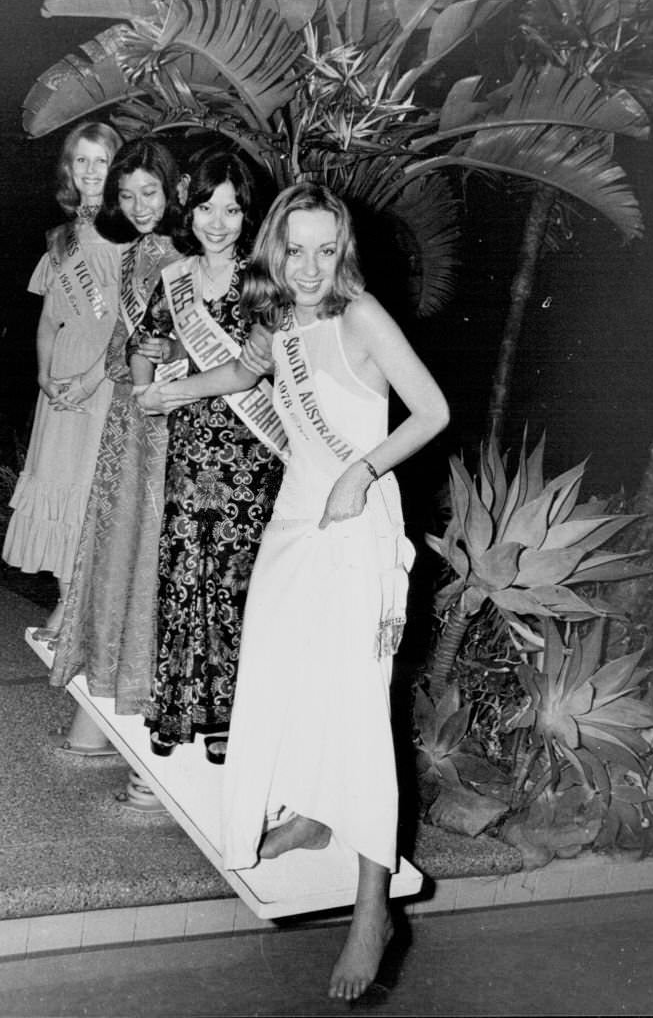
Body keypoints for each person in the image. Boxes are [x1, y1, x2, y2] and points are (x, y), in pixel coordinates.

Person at [143, 182, 450, 1001]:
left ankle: (371, 914)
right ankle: (313, 812)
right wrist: (179, 387)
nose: (310, 267)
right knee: (285, 674)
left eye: (325, 249)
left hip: (357, 525)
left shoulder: (362, 317)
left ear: (342, 250)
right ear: (274, 249)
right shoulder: (279, 316)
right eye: (296, 249)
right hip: (293, 523)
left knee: (357, 709)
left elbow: (432, 411)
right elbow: (245, 369)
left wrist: (361, 470)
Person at [129, 152, 285, 753]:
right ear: (188, 208)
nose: (216, 222)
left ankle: (228, 718)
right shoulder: (176, 275)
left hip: (250, 450)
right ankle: (176, 709)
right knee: (184, 569)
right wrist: (146, 377)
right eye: (206, 207)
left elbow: (250, 370)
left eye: (232, 208)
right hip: (192, 447)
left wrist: (169, 390)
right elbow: (145, 341)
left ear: (247, 215)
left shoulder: (262, 277)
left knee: (233, 579)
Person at [50, 136, 188, 720]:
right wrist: (100, 375)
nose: (138, 205)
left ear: (174, 190)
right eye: (126, 195)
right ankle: (111, 684)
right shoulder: (133, 253)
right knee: (121, 544)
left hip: (170, 418)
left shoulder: (189, 253)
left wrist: (171, 350)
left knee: (151, 547)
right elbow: (119, 348)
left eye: (149, 192)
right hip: (128, 419)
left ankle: (141, 690)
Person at [2, 121, 123, 640]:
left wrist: (92, 379)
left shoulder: (136, 238)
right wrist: (46, 375)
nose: (91, 171)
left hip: (107, 382)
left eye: (102, 161)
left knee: (88, 493)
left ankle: (77, 612)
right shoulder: (61, 240)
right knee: (56, 488)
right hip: (60, 387)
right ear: (69, 169)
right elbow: (49, 321)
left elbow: (132, 326)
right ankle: (66, 603)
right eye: (82, 161)